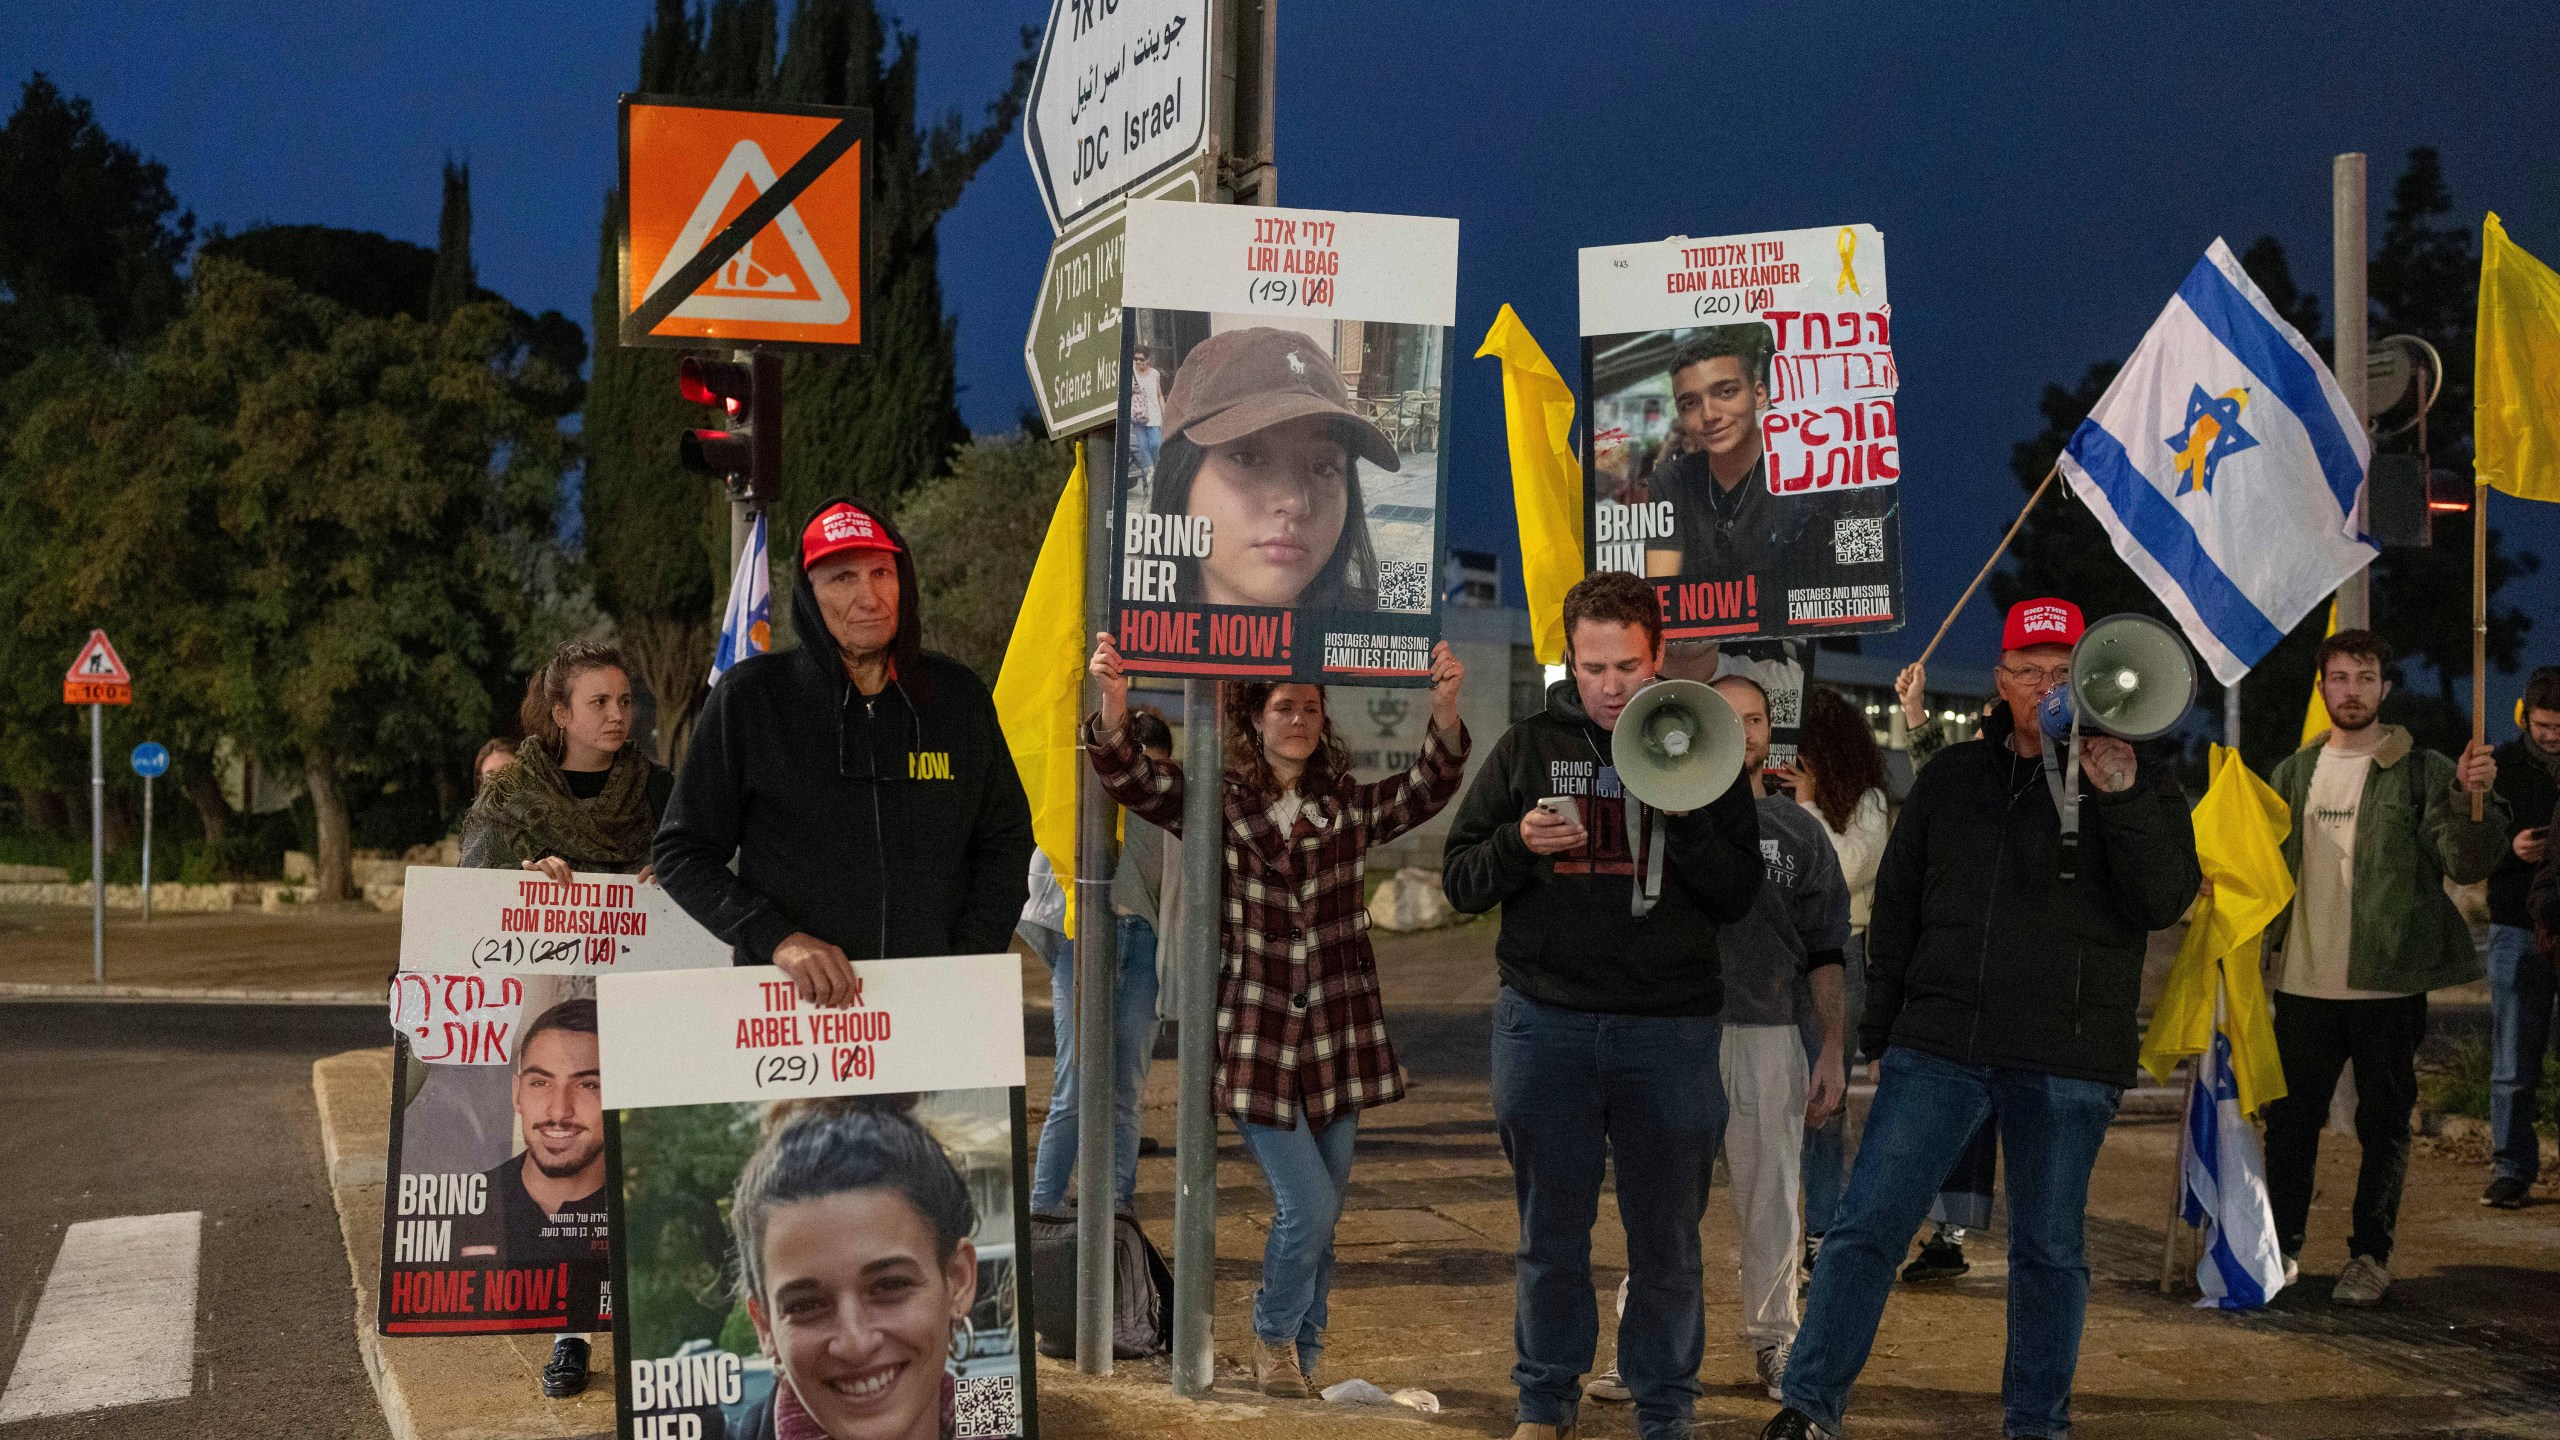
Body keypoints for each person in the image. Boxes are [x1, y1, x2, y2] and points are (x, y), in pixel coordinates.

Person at [1764, 597, 2201, 1440]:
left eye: (2061, 671)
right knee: (1865, 1230)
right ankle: (1810, 1408)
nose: (2045, 688)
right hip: (1941, 1044)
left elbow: (2164, 898)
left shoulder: (2138, 779)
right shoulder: (1953, 778)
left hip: (2068, 1055)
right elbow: (1896, 906)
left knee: (2049, 1255)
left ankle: (2036, 1424)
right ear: (2001, 681)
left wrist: (2121, 795)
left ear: (2091, 678)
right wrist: (1882, 1032)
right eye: (2028, 672)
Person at [1085, 630, 1469, 1397]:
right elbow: (1131, 779)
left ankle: (1303, 1360)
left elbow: (1424, 788)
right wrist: (1115, 706)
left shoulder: (1346, 806)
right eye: (1285, 706)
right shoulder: (1214, 802)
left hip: (1342, 1034)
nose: (1299, 719)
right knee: (1309, 1206)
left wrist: (1446, 709)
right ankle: (1269, 1338)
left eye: (1311, 707)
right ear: (1253, 719)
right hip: (1257, 1032)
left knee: (1325, 1215)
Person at [1442, 569, 1765, 1440]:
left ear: (1658, 658)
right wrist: (1519, 843)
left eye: (1626, 665)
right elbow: (1461, 880)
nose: (1611, 686)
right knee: (1551, 1238)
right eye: (1592, 668)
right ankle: (1544, 1405)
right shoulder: (1527, 749)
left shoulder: (1706, 744)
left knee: (1668, 1242)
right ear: (1570, 663)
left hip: (1671, 1032)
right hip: (1545, 1024)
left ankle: (1665, 1411)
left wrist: (1686, 805)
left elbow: (1739, 893)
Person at [656, 499, 1035, 1002]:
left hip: (940, 1008)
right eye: (841, 578)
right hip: (797, 1018)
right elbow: (682, 853)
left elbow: (1005, 842)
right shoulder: (752, 697)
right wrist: (778, 939)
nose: (870, 597)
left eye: (882, 572)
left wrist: (968, 957)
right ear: (809, 595)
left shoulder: (956, 696)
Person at [2260, 630, 2505, 1303]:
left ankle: (2370, 1255)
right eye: (2339, 678)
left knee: (2385, 1125)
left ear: (2385, 688)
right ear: (2322, 687)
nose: (2352, 690)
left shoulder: (2421, 770)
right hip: (2304, 987)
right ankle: (2279, 1250)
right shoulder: (2294, 773)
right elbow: (2260, 870)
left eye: (2366, 677)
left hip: (2386, 985)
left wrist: (2470, 797)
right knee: (2289, 1127)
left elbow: (2469, 863)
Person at [458, 640, 669, 1397]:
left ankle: (656, 1325)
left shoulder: (660, 793)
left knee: (644, 1163)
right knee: (568, 1175)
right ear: (559, 715)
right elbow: (468, 897)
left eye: (625, 701)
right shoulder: (511, 800)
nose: (619, 716)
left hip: (645, 1009)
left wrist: (671, 870)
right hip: (553, 1011)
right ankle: (571, 1332)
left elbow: (709, 869)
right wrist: (519, 877)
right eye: (600, 703)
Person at [1707, 673, 1849, 1398]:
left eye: (1755, 718)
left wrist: (1829, 1046)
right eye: (1726, 719)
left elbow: (1827, 949)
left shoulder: (1801, 832)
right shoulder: (1671, 813)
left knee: (1772, 1199)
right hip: (1686, 1032)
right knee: (1661, 1198)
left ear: (1770, 732)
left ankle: (1775, 1340)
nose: (1743, 731)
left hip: (1771, 1034)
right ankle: (1642, 1342)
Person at [725, 1096, 980, 1440]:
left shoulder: (1002, 1417)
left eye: (890, 1286)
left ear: (958, 1280)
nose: (855, 1344)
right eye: (805, 1305)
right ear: (764, 1326)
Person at [1027, 709, 1176, 1218]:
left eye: (1150, 772)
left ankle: (1117, 1210)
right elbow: (1046, 881)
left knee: (1125, 1089)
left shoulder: (1171, 805)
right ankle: (1044, 1206)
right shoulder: (1086, 799)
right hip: (1088, 942)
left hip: (1142, 946)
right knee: (1076, 1081)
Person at [1139, 326, 1394, 611]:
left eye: (1323, 467)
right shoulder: (1127, 642)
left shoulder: (1381, 633)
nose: (1296, 503)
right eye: (1247, 458)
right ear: (1179, 479)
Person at [1779, 687, 1891, 1260]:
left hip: (1839, 953)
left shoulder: (1868, 803)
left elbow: (1841, 873)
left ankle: (1821, 1229)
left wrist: (1810, 805)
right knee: (1772, 1095)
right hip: (1778, 957)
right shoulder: (1777, 800)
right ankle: (1781, 1229)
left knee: (1823, 1101)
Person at [1642, 327, 1821, 589]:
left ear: (1759, 395)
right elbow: (1661, 594)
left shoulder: (1808, 470)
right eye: (1690, 404)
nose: (1709, 415)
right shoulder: (1672, 482)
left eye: (1726, 392)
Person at [2483, 667, 2560, 1208]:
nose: (2553, 735)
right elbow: (2468, 842)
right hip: (2516, 925)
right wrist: (2510, 849)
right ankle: (2512, 1169)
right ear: (2524, 717)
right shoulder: (2501, 768)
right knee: (2513, 1060)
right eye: (2543, 725)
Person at [1128, 345, 1167, 473]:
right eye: (1136, 359)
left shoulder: (1155, 374)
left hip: (1154, 415)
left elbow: (1159, 395)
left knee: (1156, 444)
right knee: (1143, 445)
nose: (1138, 362)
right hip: (1138, 415)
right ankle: (1151, 472)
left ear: (1148, 360)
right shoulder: (1130, 373)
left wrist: (1164, 412)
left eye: (1142, 359)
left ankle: (1159, 468)